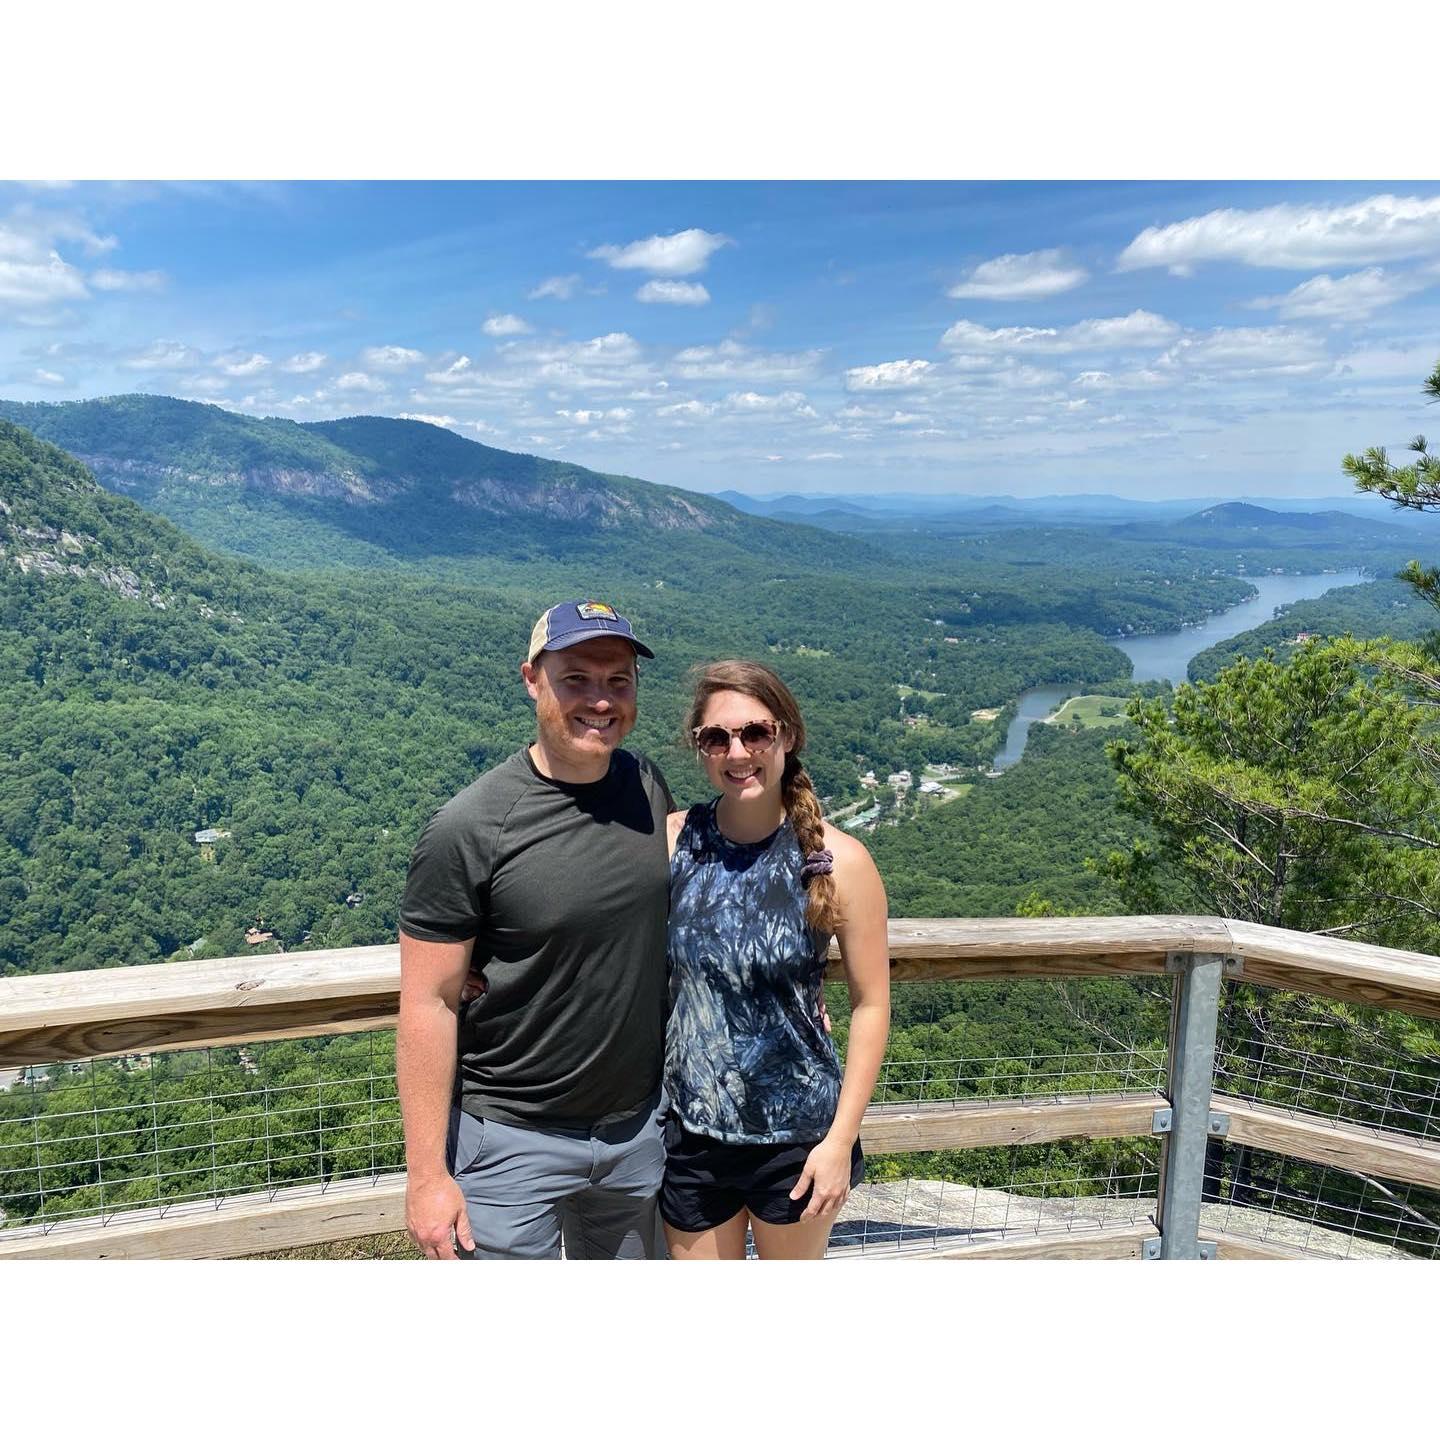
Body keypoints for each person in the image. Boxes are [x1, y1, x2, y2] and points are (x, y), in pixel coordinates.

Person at [396, 599, 673, 1260]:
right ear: (531, 680)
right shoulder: (469, 827)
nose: (600, 700)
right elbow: (428, 1003)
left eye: (618, 681)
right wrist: (427, 1178)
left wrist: (792, 976)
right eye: (576, 679)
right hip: (508, 1141)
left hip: (639, 1131)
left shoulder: (645, 784)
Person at [661, 659, 891, 1260]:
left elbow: (871, 1005)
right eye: (717, 737)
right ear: (700, 748)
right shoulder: (674, 842)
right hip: (692, 1129)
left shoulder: (841, 861)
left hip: (799, 1136)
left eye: (755, 733)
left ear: (787, 735)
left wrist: (839, 1141)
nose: (738, 753)